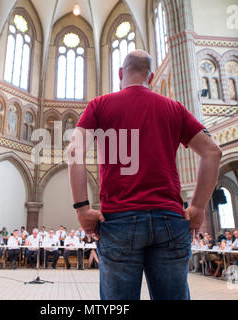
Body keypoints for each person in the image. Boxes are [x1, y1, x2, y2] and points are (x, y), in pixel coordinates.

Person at [68, 50, 222, 300]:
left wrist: (82, 208)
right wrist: (198, 207)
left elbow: (75, 151)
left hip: (118, 220)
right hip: (170, 220)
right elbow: (212, 152)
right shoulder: (174, 108)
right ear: (150, 78)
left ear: (120, 73)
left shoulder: (100, 105)